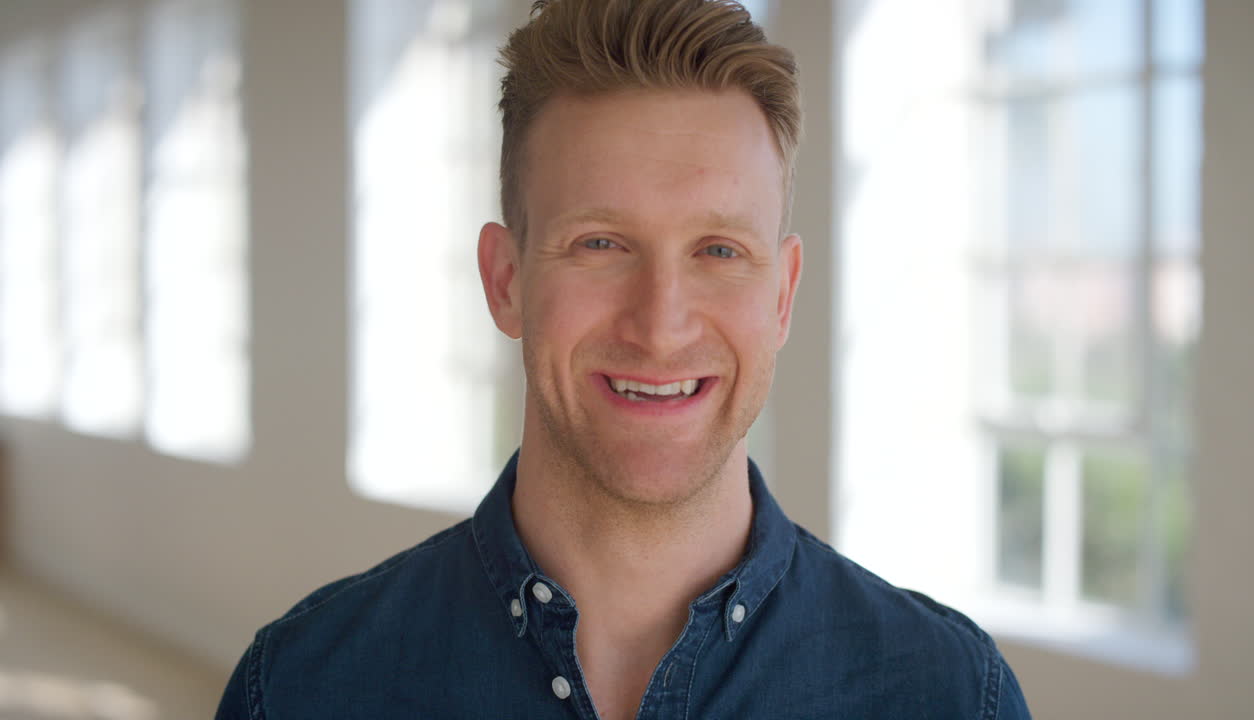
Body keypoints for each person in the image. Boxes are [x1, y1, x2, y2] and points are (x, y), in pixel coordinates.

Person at [216, 1, 1032, 717]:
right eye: (600, 243)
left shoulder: (950, 695)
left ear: (781, 297)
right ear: (505, 281)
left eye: (718, 249)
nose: (660, 324)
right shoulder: (298, 690)